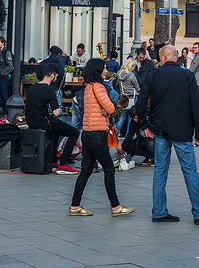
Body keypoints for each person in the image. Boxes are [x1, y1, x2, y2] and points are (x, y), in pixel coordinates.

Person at [137, 44, 199, 225]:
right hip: (181, 130)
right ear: (175, 57)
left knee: (160, 171)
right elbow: (195, 106)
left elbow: (141, 102)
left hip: (160, 130)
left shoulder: (153, 76)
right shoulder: (186, 76)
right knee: (190, 172)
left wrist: (145, 124)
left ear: (163, 57)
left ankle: (159, 211)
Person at [70, 58, 134, 217]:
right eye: (104, 68)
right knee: (109, 168)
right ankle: (116, 207)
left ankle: (75, 206)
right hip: (97, 135)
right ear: (98, 71)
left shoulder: (88, 87)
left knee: (85, 170)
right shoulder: (98, 87)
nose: (106, 71)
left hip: (87, 133)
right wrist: (106, 110)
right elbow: (110, 107)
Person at [25, 64, 79, 174]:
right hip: (44, 122)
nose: (56, 79)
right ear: (52, 76)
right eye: (56, 77)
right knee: (74, 132)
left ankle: (53, 161)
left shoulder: (32, 87)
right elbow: (56, 112)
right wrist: (58, 109)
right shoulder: (49, 90)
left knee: (56, 132)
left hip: (32, 122)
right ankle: (63, 164)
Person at [116, 58, 140, 135]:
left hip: (124, 97)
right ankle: (128, 135)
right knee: (130, 117)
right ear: (131, 66)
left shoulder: (119, 74)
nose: (134, 69)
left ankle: (115, 134)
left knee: (122, 118)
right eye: (133, 67)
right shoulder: (132, 75)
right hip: (132, 98)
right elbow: (137, 87)